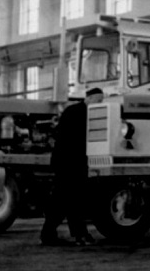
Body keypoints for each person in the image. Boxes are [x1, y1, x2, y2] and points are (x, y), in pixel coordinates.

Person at [40, 87, 104, 246]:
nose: (100, 103)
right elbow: (78, 140)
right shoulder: (80, 113)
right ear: (89, 98)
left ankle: (56, 234)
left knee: (66, 200)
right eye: (98, 100)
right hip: (70, 163)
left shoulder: (73, 111)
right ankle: (77, 234)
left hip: (67, 162)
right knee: (71, 200)